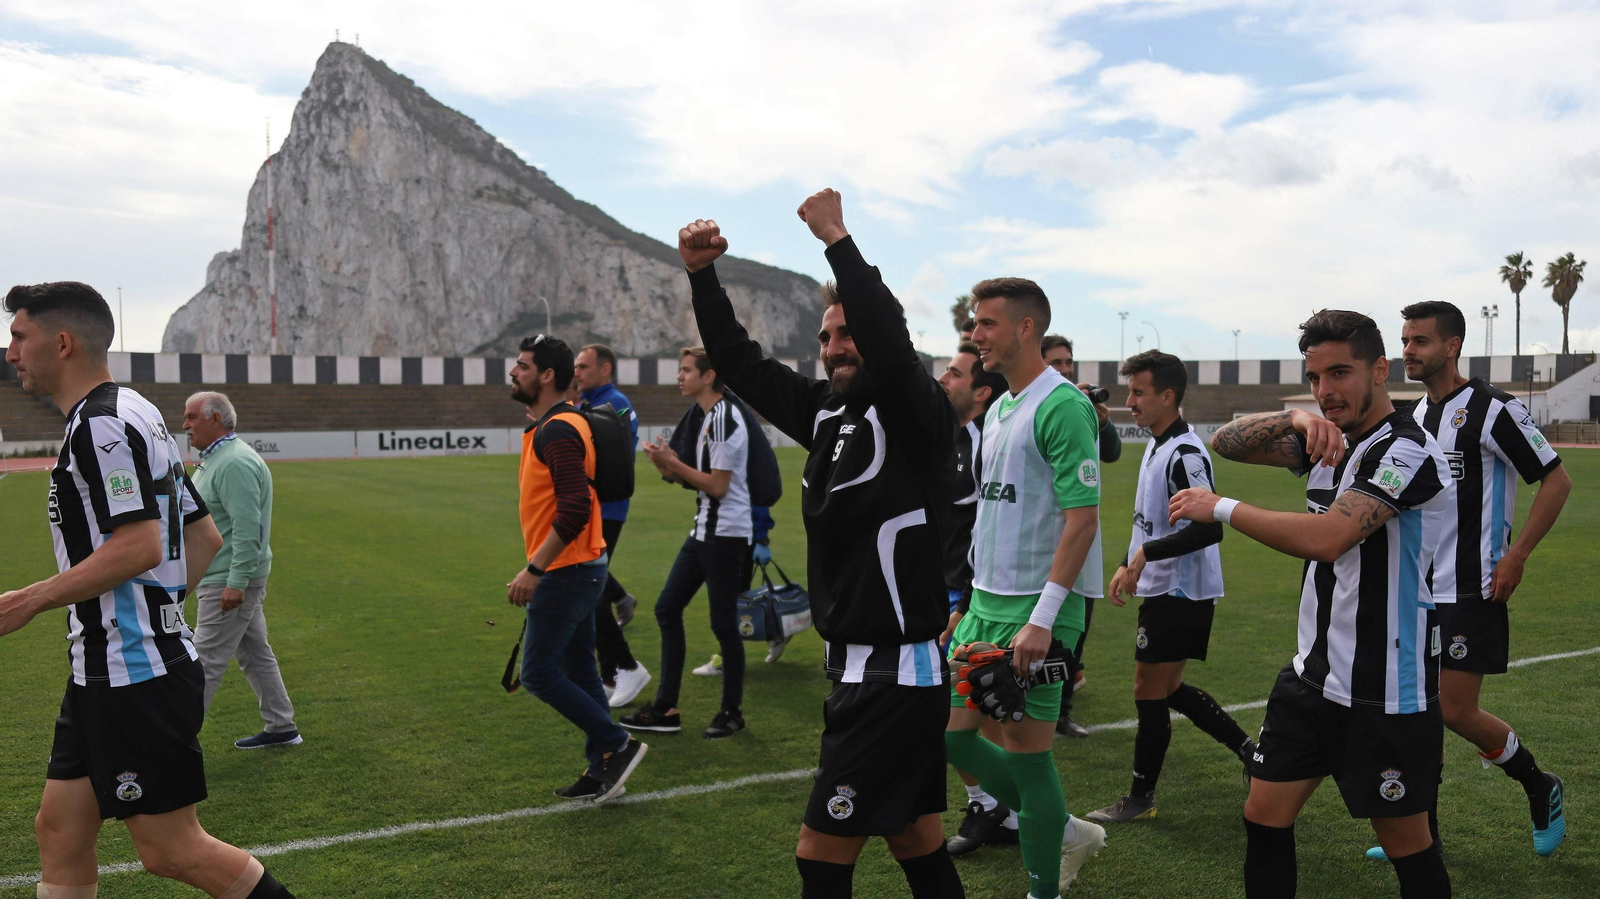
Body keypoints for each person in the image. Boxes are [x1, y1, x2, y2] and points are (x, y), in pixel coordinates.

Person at [682, 190, 965, 898]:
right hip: (865, 674)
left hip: (894, 676)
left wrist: (837, 237)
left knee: (820, 853)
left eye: (846, 333)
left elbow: (891, 345)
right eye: (825, 337)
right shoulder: (827, 412)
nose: (834, 346)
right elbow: (742, 364)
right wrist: (701, 278)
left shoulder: (915, 414)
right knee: (914, 838)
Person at [1, 282, 295, 899]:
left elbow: (140, 545)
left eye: (19, 336)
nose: (10, 351)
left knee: (172, 850)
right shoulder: (138, 413)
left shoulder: (101, 427)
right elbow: (203, 536)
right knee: (60, 832)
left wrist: (30, 601)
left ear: (62, 342)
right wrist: (157, 612)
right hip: (105, 667)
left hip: (131, 673)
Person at [1175, 309, 1453, 898]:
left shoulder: (1406, 450)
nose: (1327, 391)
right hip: (1312, 678)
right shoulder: (1328, 442)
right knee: (1263, 814)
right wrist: (1295, 416)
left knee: (1408, 846)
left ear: (1380, 370)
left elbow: (1329, 539)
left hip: (1385, 692)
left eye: (1341, 374)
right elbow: (1225, 443)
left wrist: (1221, 508)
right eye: (1316, 377)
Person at [1359, 300, 1569, 860]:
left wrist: (1516, 555)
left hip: (1474, 586)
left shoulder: (1494, 409)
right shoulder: (1416, 418)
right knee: (1412, 711)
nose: (1409, 351)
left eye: (1420, 341)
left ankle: (1539, 784)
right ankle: (1420, 833)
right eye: (1406, 340)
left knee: (1453, 711)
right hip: (1417, 590)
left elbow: (1556, 480)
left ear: (1451, 347)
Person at [948, 279, 1109, 899]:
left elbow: (1083, 518)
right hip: (985, 604)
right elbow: (992, 518)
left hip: (1040, 609)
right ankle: (1066, 828)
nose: (975, 335)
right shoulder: (1000, 409)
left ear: (1024, 329)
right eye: (973, 323)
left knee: (1027, 757)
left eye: (986, 323)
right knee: (949, 733)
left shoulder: (1062, 405)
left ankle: (1044, 888)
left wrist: (1042, 618)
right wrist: (966, 602)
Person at [1085, 351, 1254, 824]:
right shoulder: (1158, 445)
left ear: (1167, 396)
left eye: (1139, 392)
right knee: (1168, 686)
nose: (1129, 401)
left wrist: (1144, 557)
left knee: (1148, 689)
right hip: (1163, 584)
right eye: (1130, 391)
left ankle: (1139, 798)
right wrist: (1128, 561)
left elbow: (1210, 528)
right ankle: (1251, 752)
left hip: (1181, 589)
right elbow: (1151, 523)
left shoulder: (1185, 453)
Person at [507, 334, 646, 803]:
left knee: (540, 674)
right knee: (582, 670)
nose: (514, 372)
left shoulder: (559, 428)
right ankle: (603, 767)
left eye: (523, 366)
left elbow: (574, 509)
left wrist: (534, 569)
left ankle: (616, 744)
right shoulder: (553, 424)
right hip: (580, 567)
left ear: (547, 376)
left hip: (567, 571)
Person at [621, 347, 755, 739]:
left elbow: (717, 485)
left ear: (709, 376)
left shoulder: (726, 417)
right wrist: (665, 464)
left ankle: (732, 712)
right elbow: (697, 481)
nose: (679, 377)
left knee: (723, 625)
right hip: (704, 531)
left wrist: (674, 463)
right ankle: (667, 707)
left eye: (685, 370)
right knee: (667, 608)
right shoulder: (708, 417)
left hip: (726, 535)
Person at [935, 345, 1020, 857]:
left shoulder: (987, 444)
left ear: (982, 392)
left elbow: (986, 531)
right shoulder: (947, 438)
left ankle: (993, 804)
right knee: (974, 712)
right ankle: (1002, 810)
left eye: (954, 372)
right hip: (942, 592)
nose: (943, 379)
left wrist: (963, 602)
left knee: (965, 711)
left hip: (969, 598)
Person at [182, 391, 301, 750]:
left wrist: (236, 583)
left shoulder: (233, 462)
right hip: (222, 576)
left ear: (214, 420)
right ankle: (282, 726)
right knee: (254, 653)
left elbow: (250, 530)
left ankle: (172, 743)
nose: (184, 425)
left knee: (203, 662)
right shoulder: (219, 460)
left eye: (191, 417)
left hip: (227, 580)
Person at [1041, 333, 1120, 737]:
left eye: (1069, 362)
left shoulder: (1079, 406)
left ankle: (1061, 711)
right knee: (1041, 628)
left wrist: (1103, 421)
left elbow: (1113, 453)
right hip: (1045, 537)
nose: (1066, 369)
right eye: (1056, 362)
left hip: (1083, 532)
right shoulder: (1042, 404)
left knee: (1076, 629)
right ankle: (1033, 709)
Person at [573, 343, 651, 708]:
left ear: (606, 370)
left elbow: (614, 455)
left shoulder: (617, 404)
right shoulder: (587, 403)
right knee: (592, 585)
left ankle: (624, 666)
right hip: (592, 508)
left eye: (584, 367)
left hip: (608, 508)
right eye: (575, 367)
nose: (578, 373)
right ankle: (608, 674)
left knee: (591, 588)